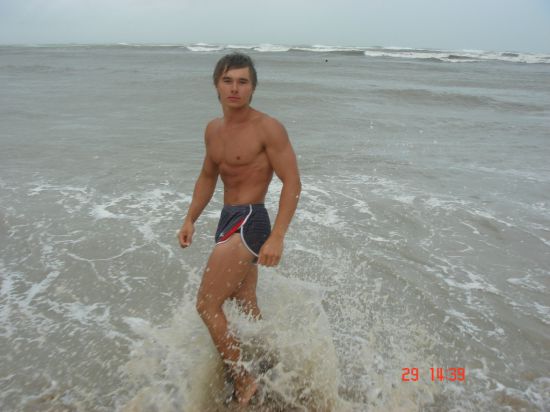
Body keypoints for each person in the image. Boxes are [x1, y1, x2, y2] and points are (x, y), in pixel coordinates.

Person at [178, 52, 301, 405]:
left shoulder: (267, 128)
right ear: (216, 85)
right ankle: (270, 362)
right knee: (244, 302)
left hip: (251, 219)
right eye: (228, 80)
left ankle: (244, 381)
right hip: (227, 219)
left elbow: (292, 182)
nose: (235, 88)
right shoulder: (213, 130)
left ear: (253, 88)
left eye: (243, 82)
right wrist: (190, 218)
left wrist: (277, 236)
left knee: (207, 304)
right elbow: (207, 176)